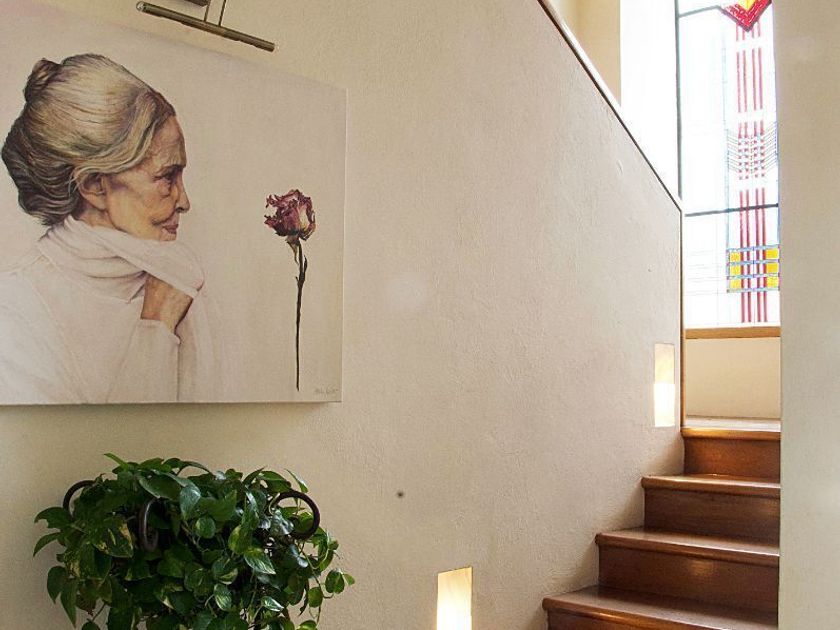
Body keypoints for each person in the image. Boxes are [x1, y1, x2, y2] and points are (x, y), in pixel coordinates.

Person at [0, 54, 225, 404]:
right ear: (94, 186)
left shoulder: (176, 273)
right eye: (167, 177)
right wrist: (156, 325)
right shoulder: (17, 309)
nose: (184, 201)